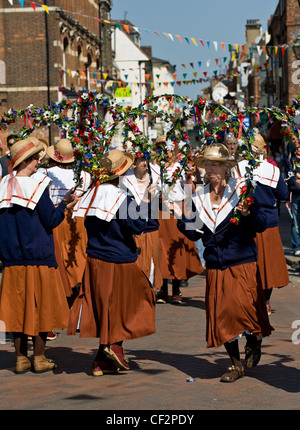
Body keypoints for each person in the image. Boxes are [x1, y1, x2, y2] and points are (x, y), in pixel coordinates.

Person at [176, 143, 273, 383]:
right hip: (215, 264)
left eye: (215, 164)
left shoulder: (242, 190)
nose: (209, 169)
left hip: (242, 261)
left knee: (247, 310)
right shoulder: (198, 196)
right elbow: (190, 229)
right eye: (207, 164)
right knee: (221, 315)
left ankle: (254, 340)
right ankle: (235, 365)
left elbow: (261, 223)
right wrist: (189, 225)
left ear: (226, 167)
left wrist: (248, 214)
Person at [67, 149, 156, 377]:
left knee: (106, 307)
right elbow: (136, 227)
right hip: (119, 260)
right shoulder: (120, 197)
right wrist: (147, 200)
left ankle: (100, 361)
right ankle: (113, 347)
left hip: (96, 259)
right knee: (129, 304)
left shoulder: (92, 194)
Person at [0, 136, 76, 374]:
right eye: (35, 160)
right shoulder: (37, 186)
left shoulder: (2, 185)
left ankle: (21, 358)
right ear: (27, 161)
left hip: (12, 259)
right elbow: (51, 220)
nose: (38, 164)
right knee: (42, 307)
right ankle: (39, 358)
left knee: (17, 309)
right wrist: (65, 204)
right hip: (39, 256)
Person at [237, 134, 289, 316]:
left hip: (244, 220)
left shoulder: (238, 168)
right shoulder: (272, 169)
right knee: (268, 265)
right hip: (267, 221)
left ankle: (250, 301)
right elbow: (283, 194)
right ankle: (265, 301)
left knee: (247, 263)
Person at [38, 139, 91, 308]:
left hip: (58, 217)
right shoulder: (85, 175)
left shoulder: (45, 173)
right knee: (79, 256)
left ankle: (62, 300)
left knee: (59, 258)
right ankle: (79, 300)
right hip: (80, 219)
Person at [154, 135, 204, 305]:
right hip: (161, 211)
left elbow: (191, 193)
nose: (165, 151)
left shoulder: (182, 167)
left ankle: (176, 290)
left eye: (167, 147)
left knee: (177, 247)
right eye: (161, 148)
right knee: (162, 249)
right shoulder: (156, 168)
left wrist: (189, 178)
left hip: (178, 209)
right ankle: (162, 289)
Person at [121, 154, 162, 290]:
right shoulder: (125, 179)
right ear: (134, 162)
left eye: (146, 159)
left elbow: (166, 199)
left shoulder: (157, 176)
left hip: (151, 227)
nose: (144, 163)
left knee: (151, 266)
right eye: (140, 160)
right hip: (133, 227)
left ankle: (149, 292)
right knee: (136, 266)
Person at [286, 166, 300, 256]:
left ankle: (297, 248)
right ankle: (297, 247)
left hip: (296, 195)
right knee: (295, 222)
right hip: (296, 195)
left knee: (296, 222)